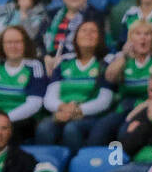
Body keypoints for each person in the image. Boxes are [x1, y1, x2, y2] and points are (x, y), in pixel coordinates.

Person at [36, 20, 113, 150]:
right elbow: (50, 97)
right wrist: (62, 107)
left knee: (71, 129)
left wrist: (78, 110)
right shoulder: (64, 61)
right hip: (62, 111)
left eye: (93, 31)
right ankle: (45, 167)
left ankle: (74, 167)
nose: (88, 34)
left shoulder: (106, 62)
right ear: (75, 37)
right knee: (44, 127)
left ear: (100, 38)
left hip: (91, 115)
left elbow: (105, 100)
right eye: (84, 30)